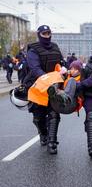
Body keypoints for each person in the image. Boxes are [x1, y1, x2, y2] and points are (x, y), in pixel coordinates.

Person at [24, 25, 64, 154]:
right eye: (44, 34)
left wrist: (65, 69)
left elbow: (61, 62)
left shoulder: (55, 47)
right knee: (38, 117)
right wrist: (47, 80)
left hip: (53, 86)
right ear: (39, 34)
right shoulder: (33, 50)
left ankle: (52, 142)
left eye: (48, 33)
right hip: (37, 86)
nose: (47, 36)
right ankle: (43, 134)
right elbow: (35, 68)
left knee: (54, 114)